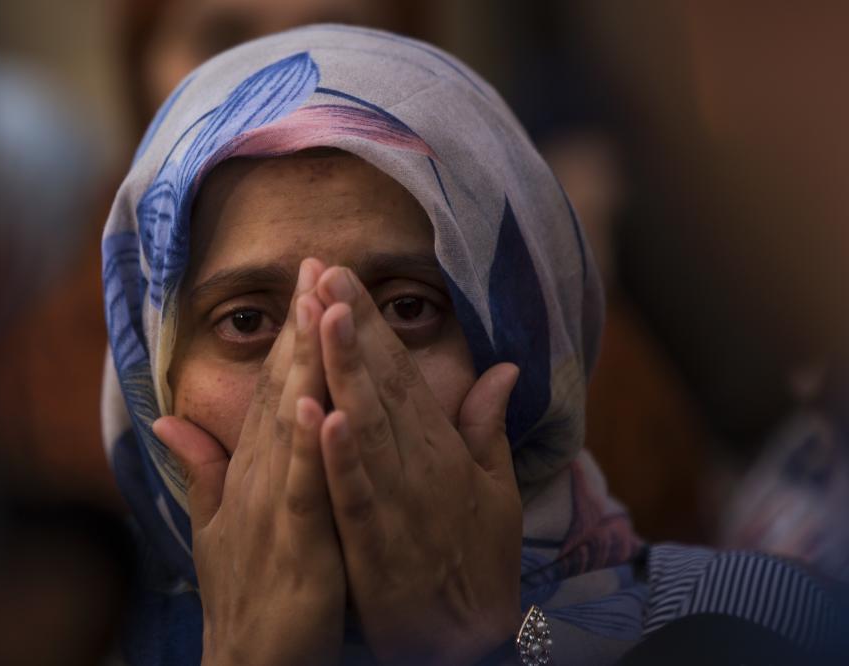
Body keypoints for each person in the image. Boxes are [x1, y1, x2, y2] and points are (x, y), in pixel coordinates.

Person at [100, 26, 842, 664]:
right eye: (246, 322)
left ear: (527, 342)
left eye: (408, 307)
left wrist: (488, 647)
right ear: (153, 373)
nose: (320, 391)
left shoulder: (766, 623)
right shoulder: (48, 630)